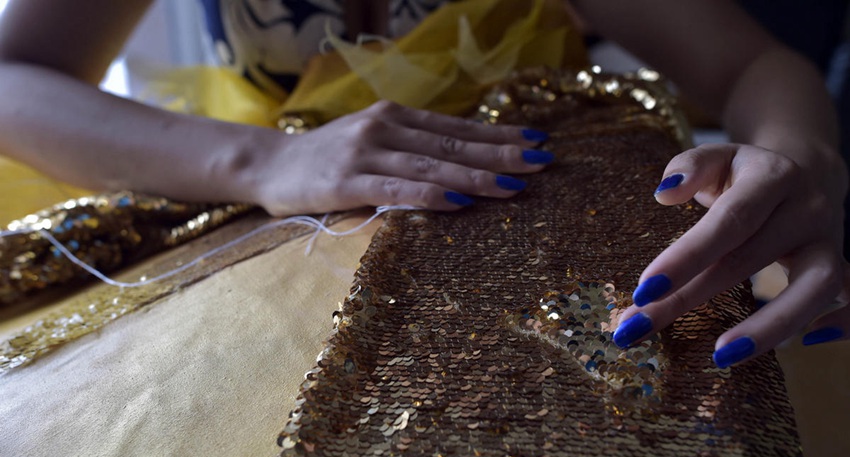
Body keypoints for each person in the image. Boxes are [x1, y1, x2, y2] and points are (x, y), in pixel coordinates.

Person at [0, 0, 846, 370]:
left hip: (535, 248)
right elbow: (13, 77)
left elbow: (752, 65)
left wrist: (799, 157)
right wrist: (259, 161)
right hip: (274, 220)